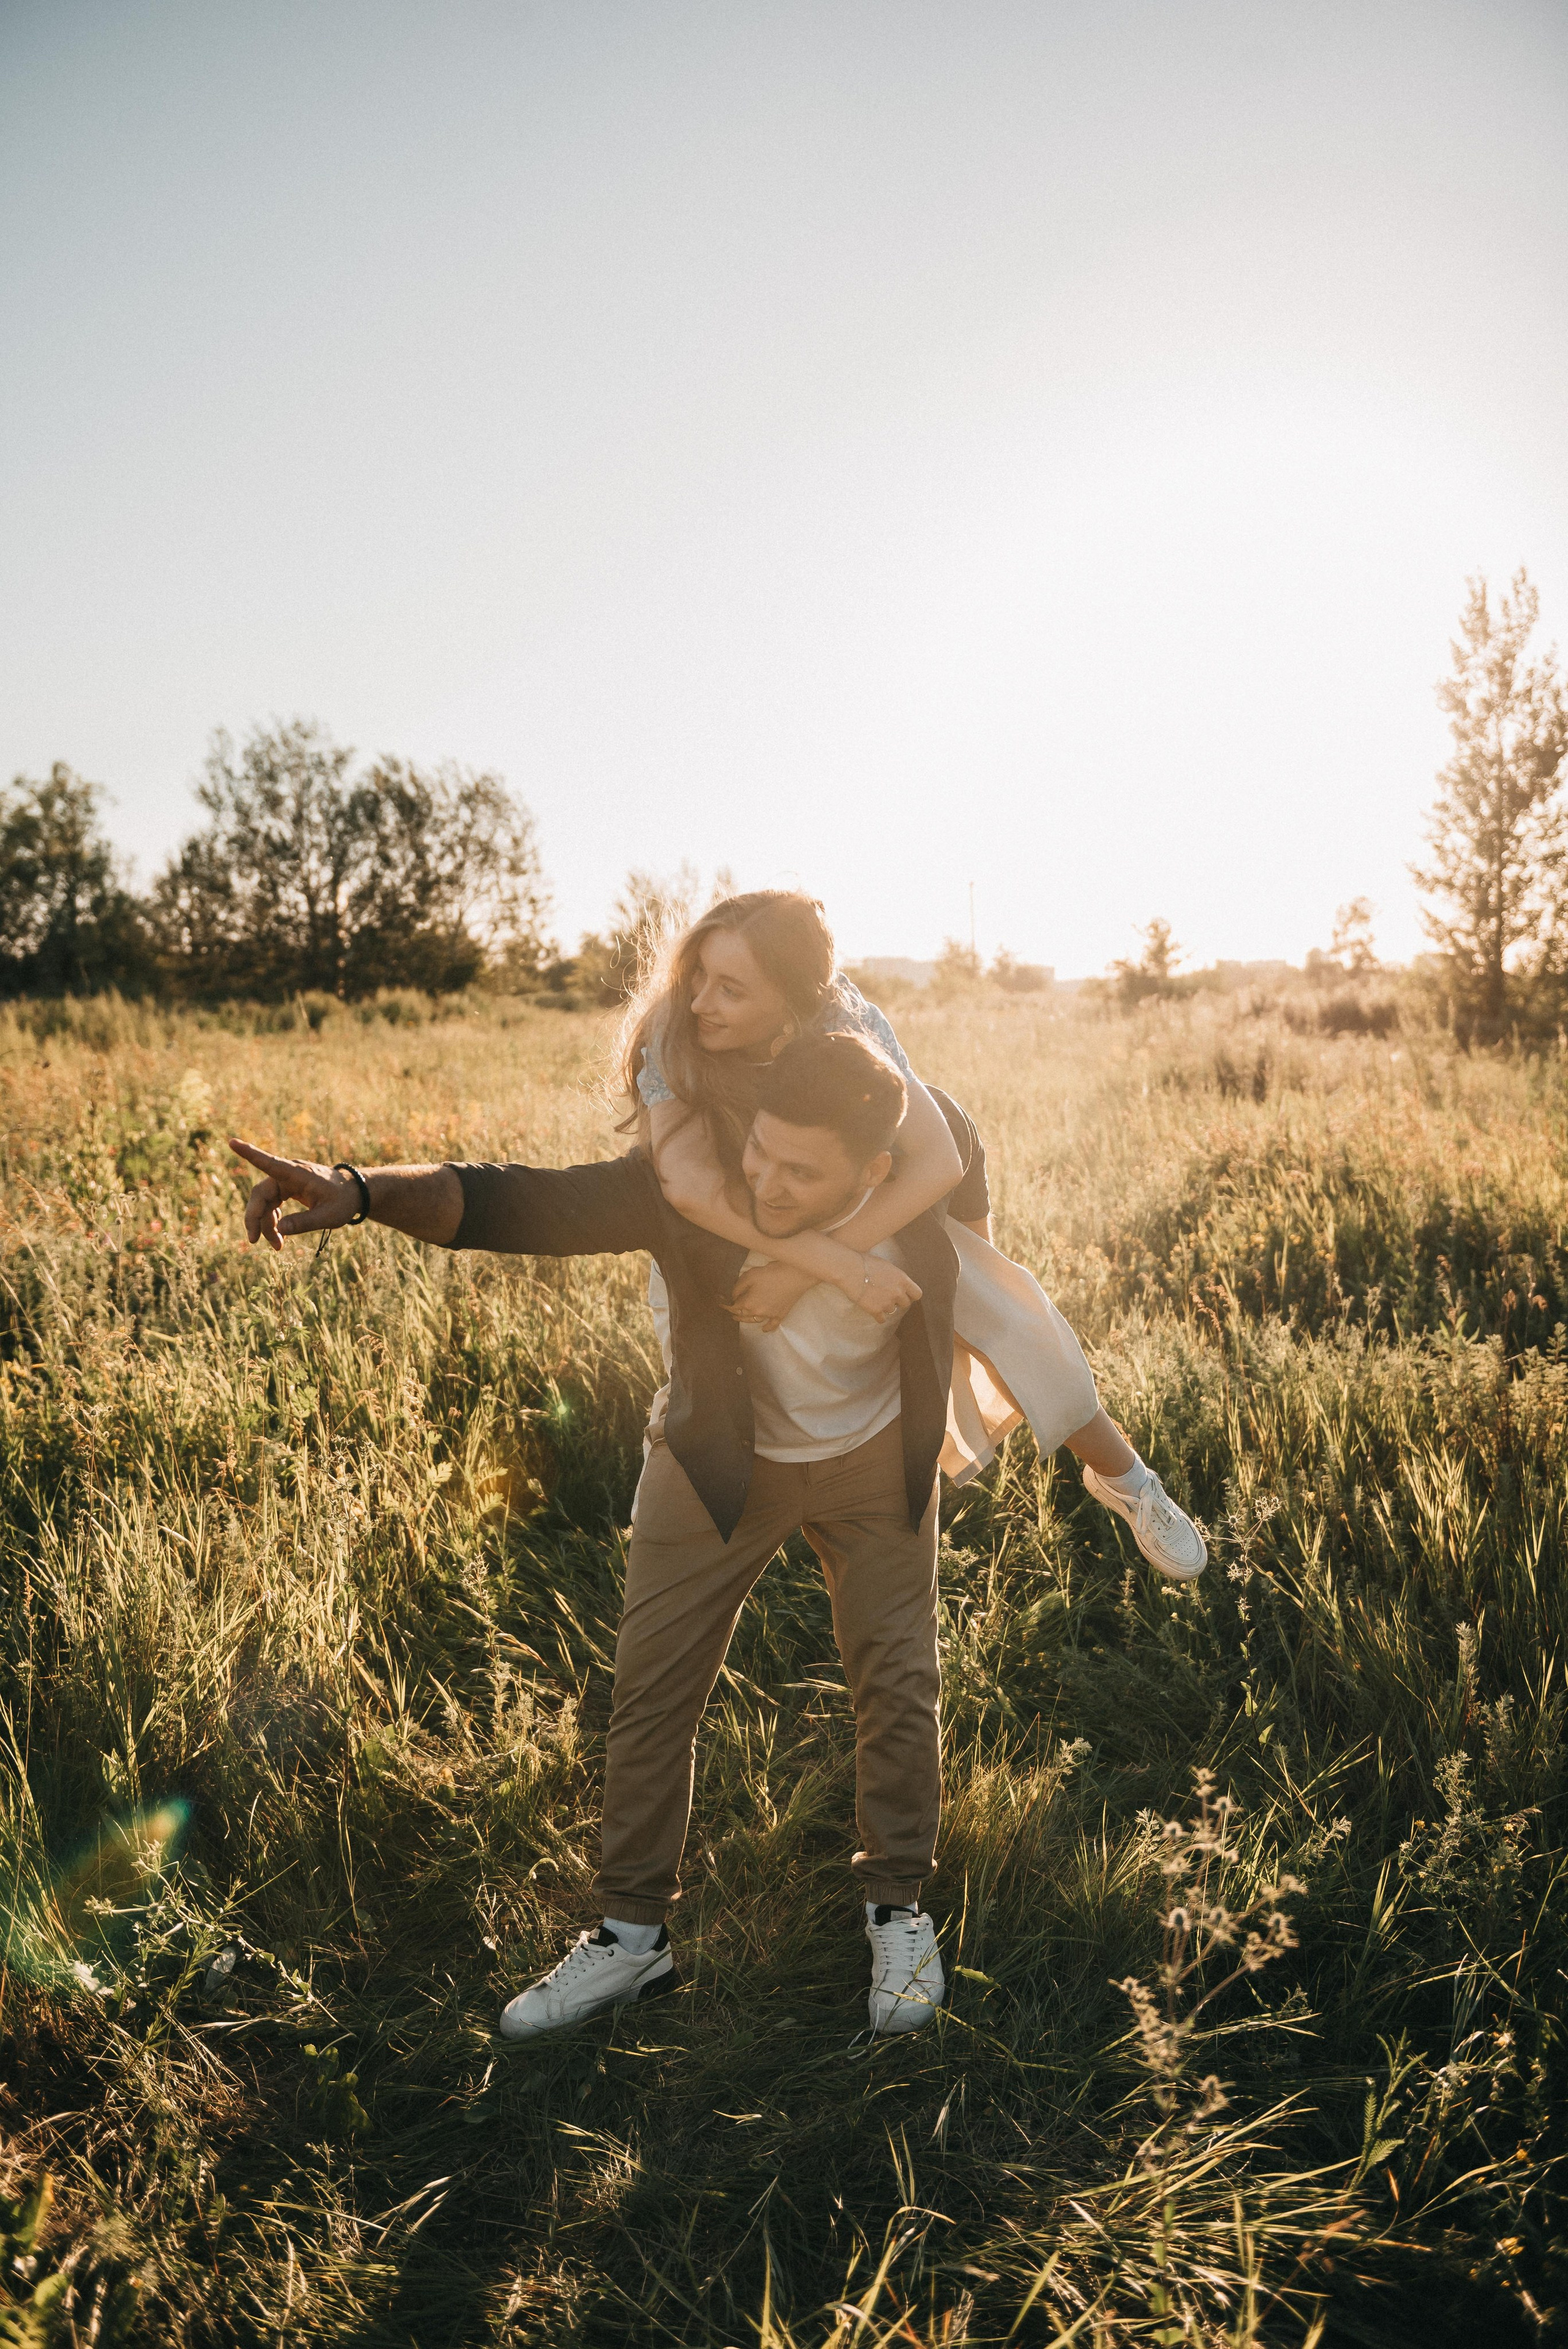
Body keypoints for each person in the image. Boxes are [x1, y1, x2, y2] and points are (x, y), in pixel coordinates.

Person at [232, 1032, 971, 2043]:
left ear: (875, 1173)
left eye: (803, 1172)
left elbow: (1007, 1285)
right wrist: (362, 1191)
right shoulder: (691, 1184)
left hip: (877, 1462)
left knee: (898, 1679)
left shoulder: (924, 1181)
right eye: (762, 1151)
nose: (768, 1181)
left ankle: (897, 1908)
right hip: (717, 1463)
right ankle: (631, 1942)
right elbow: (515, 1202)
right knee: (654, 1691)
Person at [617, 889, 1205, 1579]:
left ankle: (1127, 1480)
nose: (700, 1002)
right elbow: (688, 1186)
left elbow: (938, 1160)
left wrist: (811, 1267)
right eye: (698, 977)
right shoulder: (676, 1032)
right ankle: (702, 1465)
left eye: (731, 989)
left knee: (992, 1311)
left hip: (889, 1176)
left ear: (791, 1000)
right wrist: (831, 1265)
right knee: (711, 1311)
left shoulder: (843, 1016)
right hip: (758, 1200)